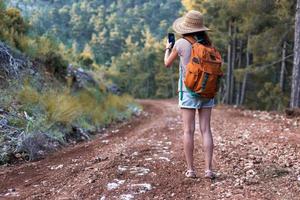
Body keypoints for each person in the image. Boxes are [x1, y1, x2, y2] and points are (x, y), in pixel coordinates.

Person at [164, 10, 216, 179]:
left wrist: (167, 48)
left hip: (188, 92)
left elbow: (167, 64)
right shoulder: (208, 44)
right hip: (207, 91)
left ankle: (191, 170)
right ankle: (208, 170)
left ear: (185, 27)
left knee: (188, 131)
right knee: (206, 130)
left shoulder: (180, 43)